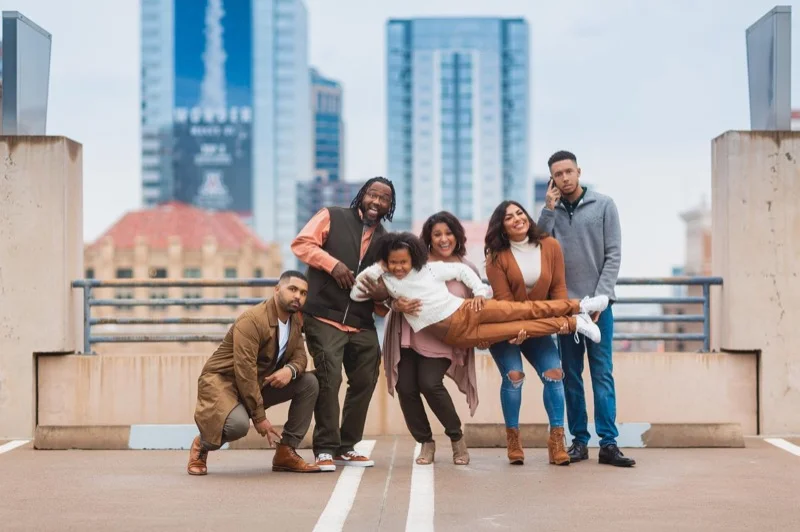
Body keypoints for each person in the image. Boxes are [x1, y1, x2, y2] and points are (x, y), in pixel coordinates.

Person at [538, 150, 635, 467]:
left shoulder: (604, 205)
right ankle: (579, 441)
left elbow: (613, 254)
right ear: (552, 180)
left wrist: (600, 299)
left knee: (602, 374)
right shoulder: (550, 212)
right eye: (558, 174)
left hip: (599, 308)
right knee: (571, 377)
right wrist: (548, 209)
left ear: (578, 171)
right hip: (567, 310)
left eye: (568, 171)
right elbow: (539, 247)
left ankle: (609, 444)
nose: (564, 178)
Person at [291, 177, 395, 471]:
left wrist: (381, 295)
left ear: (390, 206)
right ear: (362, 195)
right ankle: (325, 448)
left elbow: (388, 290)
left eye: (384, 199)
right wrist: (332, 264)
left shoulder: (387, 241)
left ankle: (346, 446)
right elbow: (301, 244)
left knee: (365, 380)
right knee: (329, 377)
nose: (376, 201)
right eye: (372, 194)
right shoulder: (332, 216)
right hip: (323, 315)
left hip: (362, 322)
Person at [351, 232, 608, 349]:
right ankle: (575, 323)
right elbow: (356, 293)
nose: (398, 267)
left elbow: (462, 270)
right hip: (457, 336)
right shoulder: (387, 281)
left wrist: (479, 293)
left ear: (413, 259)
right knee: (524, 328)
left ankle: (580, 306)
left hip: (467, 311)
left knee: (527, 310)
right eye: (393, 262)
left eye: (403, 262)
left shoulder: (427, 270)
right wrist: (379, 266)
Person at [187, 270, 321, 475]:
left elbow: (300, 357)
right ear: (277, 290)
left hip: (256, 383)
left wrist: (290, 370)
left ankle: (286, 452)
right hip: (224, 382)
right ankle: (202, 444)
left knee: (309, 382)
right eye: (292, 289)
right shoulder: (252, 320)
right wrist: (259, 418)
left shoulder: (295, 321)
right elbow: (245, 371)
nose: (298, 296)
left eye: (303, 293)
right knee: (237, 426)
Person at [380, 212, 478, 466]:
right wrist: (395, 304)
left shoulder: (467, 268)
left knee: (430, 383)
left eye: (448, 233)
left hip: (443, 339)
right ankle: (425, 442)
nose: (443, 239)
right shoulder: (414, 262)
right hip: (408, 335)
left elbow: (477, 304)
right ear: (428, 238)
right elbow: (387, 289)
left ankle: (456, 438)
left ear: (457, 236)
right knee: (405, 387)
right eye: (437, 234)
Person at [484, 200, 571, 466]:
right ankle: (513, 438)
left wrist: (562, 318)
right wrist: (517, 328)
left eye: (520, 213)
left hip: (538, 327)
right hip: (506, 327)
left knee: (554, 373)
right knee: (514, 376)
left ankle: (557, 440)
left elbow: (558, 289)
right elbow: (504, 302)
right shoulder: (496, 257)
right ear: (502, 227)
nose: (517, 219)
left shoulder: (550, 246)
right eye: (509, 217)